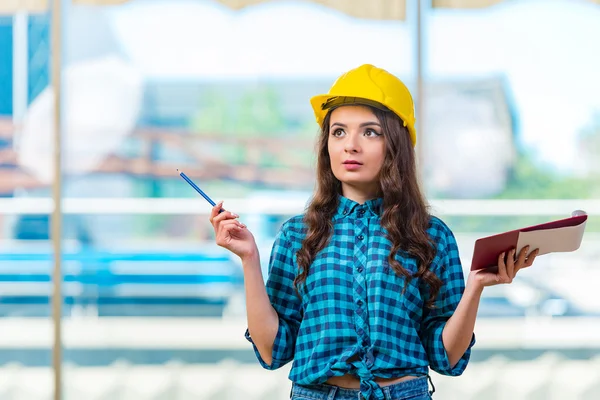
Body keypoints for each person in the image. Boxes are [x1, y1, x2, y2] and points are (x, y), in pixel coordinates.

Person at [209, 64, 539, 400]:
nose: (350, 145)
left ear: (395, 145)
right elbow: (273, 352)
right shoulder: (297, 235)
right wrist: (249, 259)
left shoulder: (431, 236)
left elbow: (447, 359)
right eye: (338, 132)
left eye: (369, 132)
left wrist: (476, 288)